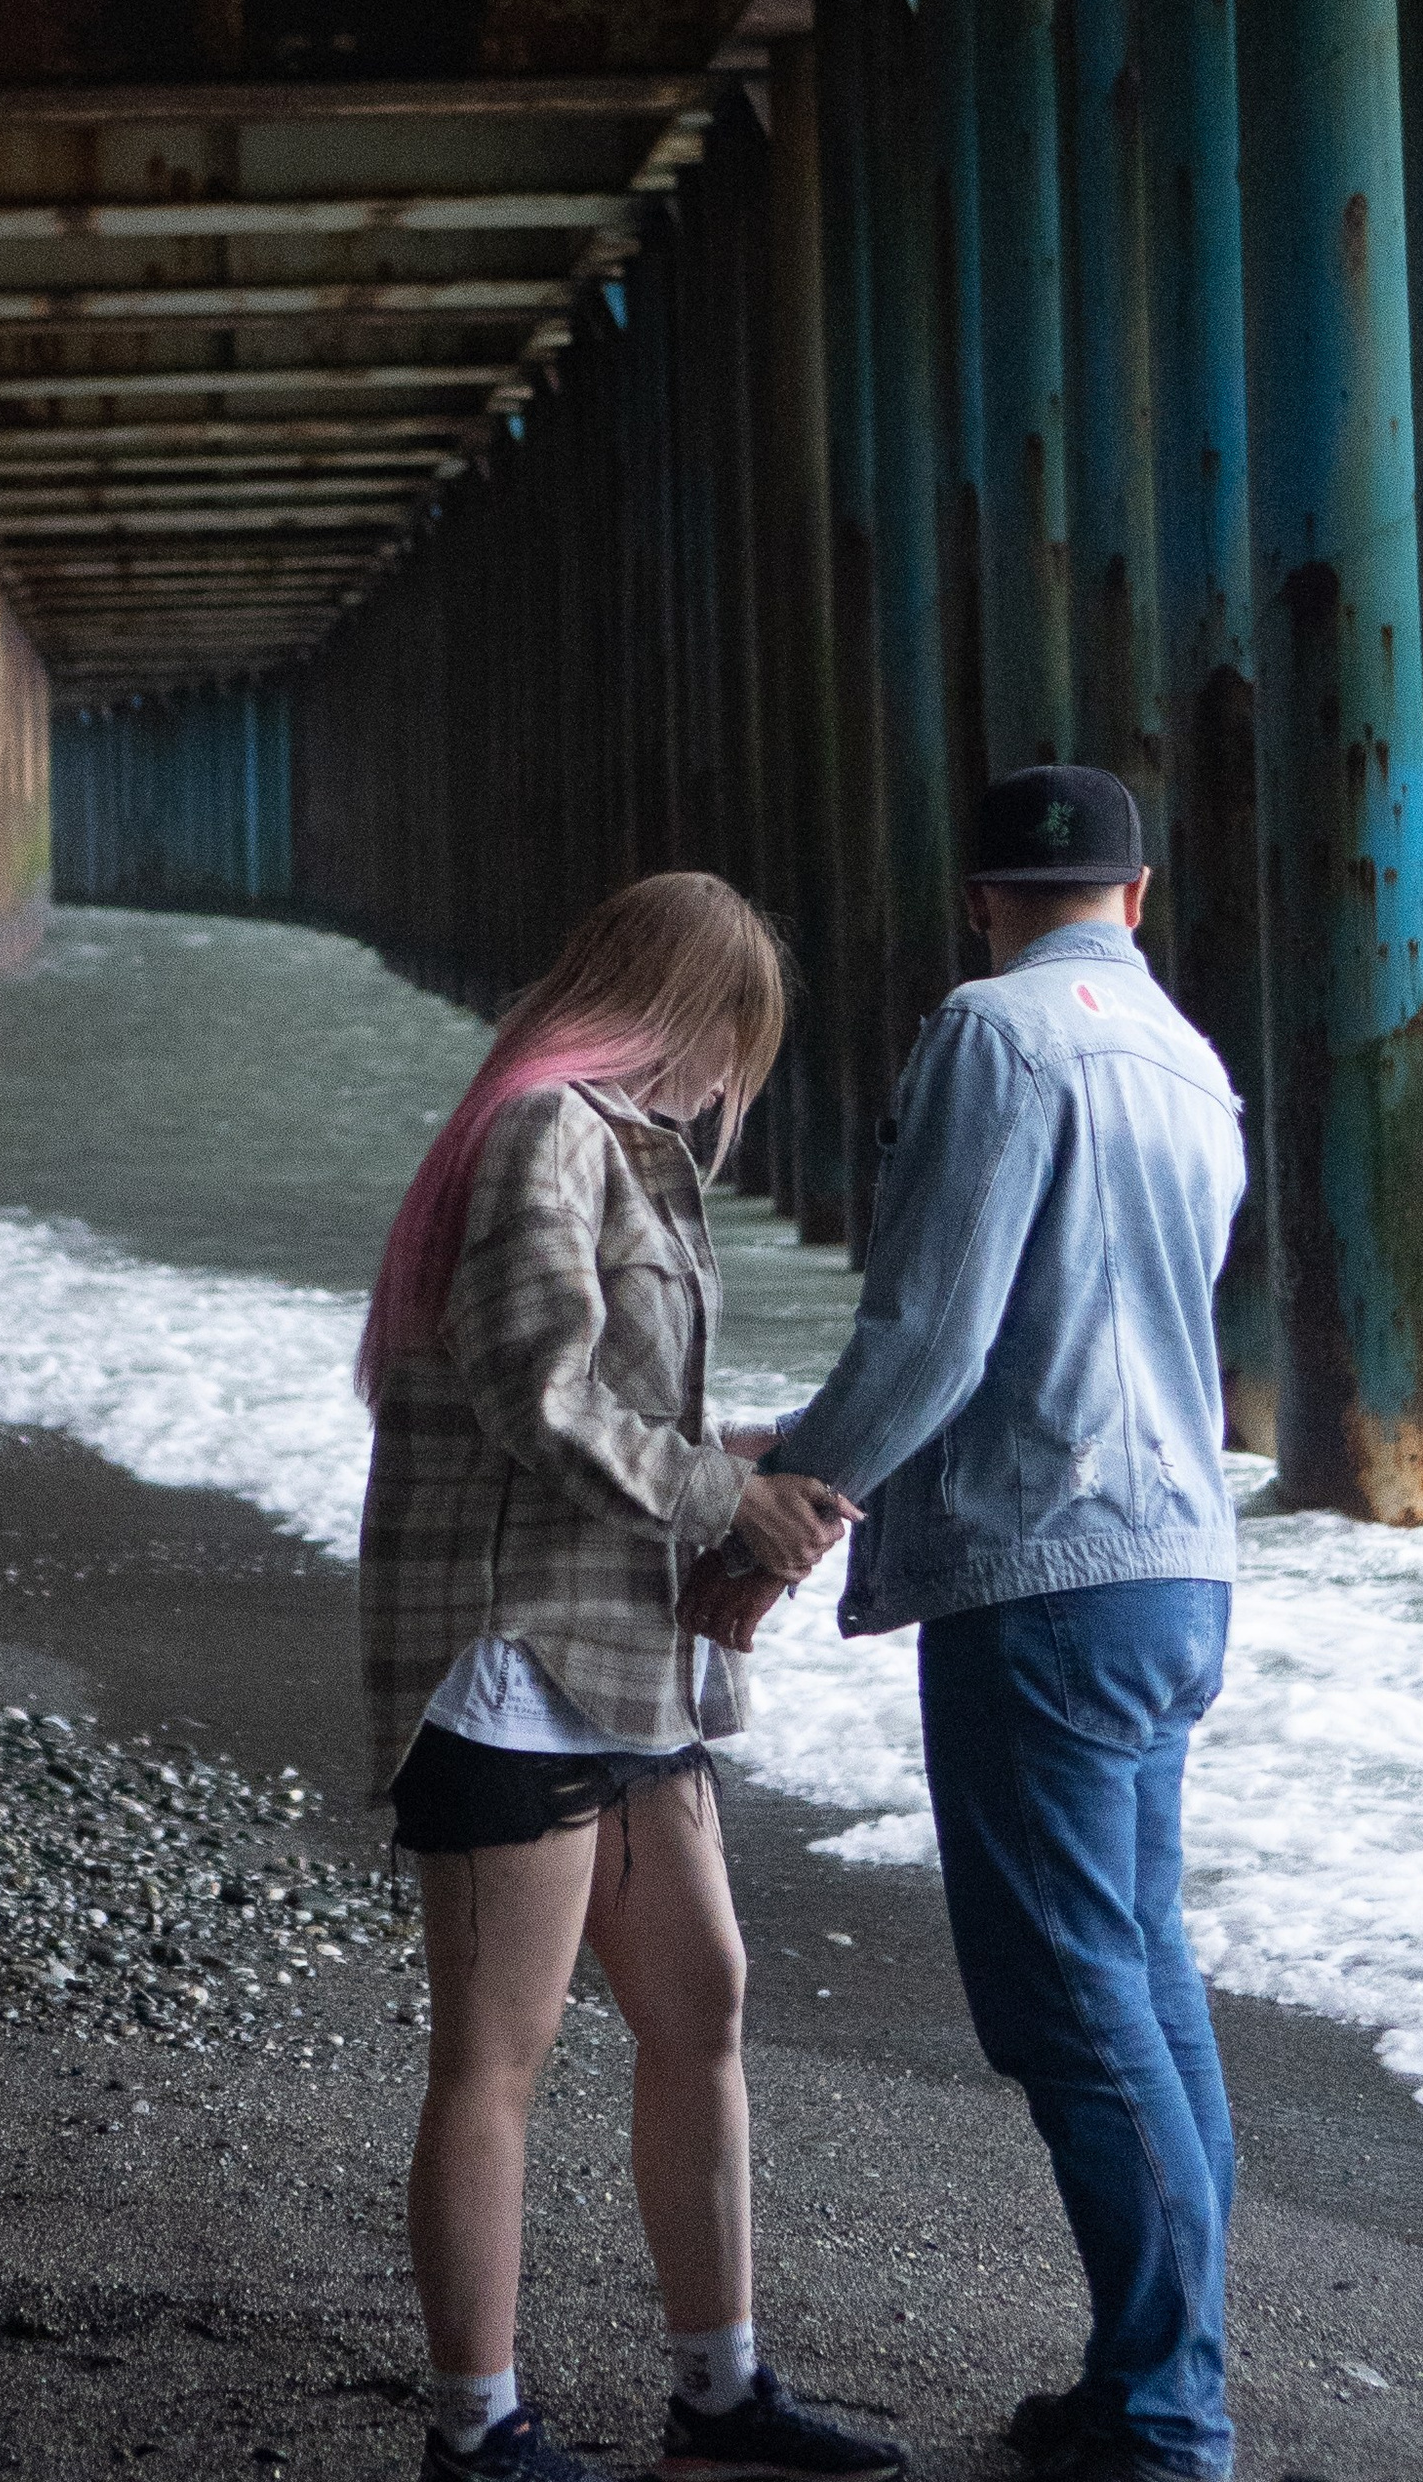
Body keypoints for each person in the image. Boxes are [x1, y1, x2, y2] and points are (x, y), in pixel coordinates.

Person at [693, 769, 1246, 2482]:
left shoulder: (995, 1038)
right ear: (1135, 898)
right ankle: (1146, 2382)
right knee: (1144, 1984)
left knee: (1071, 2007)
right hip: (1180, 1572)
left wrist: (779, 1529)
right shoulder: (1189, 1062)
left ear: (980, 896)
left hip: (1047, 1575)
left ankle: (1168, 2415)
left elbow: (938, 1330)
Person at [357, 869, 913, 2482]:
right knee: (495, 2059)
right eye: (738, 1038)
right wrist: (717, 1495)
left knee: (704, 2004)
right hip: (510, 1655)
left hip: (629, 1664)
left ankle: (720, 2402)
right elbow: (535, 1398)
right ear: (690, 1015)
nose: (738, 1081)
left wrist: (741, 1454)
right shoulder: (546, 1136)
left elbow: (602, 1400)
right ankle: (479, 2435)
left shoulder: (619, 1150)